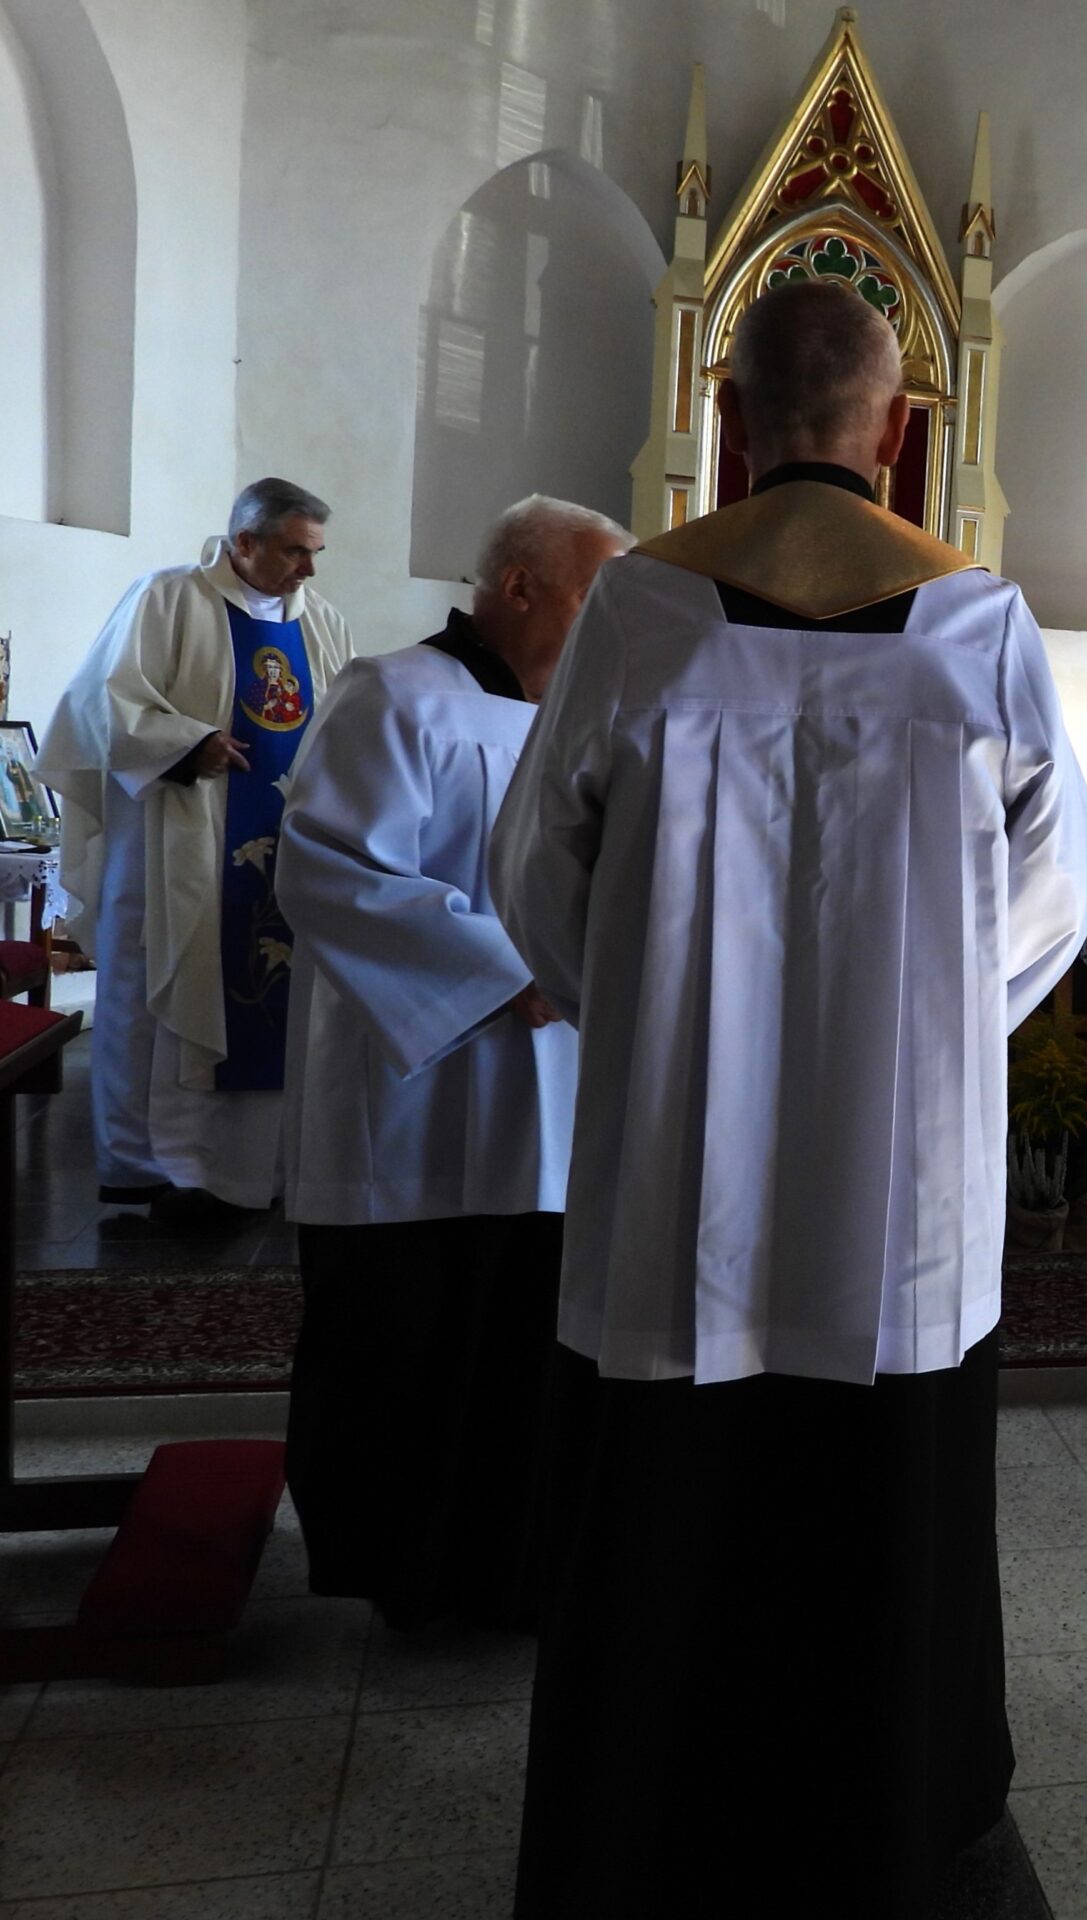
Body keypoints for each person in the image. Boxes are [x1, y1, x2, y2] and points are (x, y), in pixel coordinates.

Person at [490, 278, 1087, 1916]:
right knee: (884, 1497)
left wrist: (657, 1018)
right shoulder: (979, 622)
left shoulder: (639, 610)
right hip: (903, 1195)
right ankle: (886, 1805)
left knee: (669, 1489)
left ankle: (654, 1798)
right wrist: (926, 1033)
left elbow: (532, 868)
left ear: (734, 417)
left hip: (674, 1175)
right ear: (896, 430)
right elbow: (1053, 898)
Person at [273, 496, 629, 1632]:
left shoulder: (591, 720)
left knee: (527, 1344)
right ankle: (411, 1579)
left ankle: (522, 1572)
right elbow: (331, 869)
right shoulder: (392, 694)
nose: (610, 621)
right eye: (595, 592)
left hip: (557, 1097)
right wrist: (506, 972)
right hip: (413, 1096)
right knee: (410, 1344)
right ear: (518, 586)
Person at [38, 479, 350, 1221]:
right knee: (156, 994)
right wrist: (188, 743)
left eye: (315, 553)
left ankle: (259, 1165)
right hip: (174, 840)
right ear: (244, 542)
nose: (309, 569)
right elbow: (99, 704)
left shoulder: (323, 623)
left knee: (271, 995)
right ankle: (149, 1166)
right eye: (295, 551)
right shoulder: (168, 598)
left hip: (285, 845)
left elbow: (345, 719)